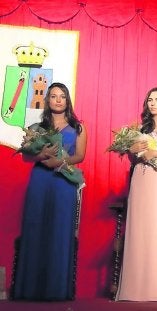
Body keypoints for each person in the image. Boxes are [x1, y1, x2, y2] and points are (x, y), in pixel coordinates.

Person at [12, 82, 87, 300]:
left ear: (67, 100)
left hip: (64, 181)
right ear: (48, 100)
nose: (58, 100)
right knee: (35, 227)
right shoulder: (36, 128)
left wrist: (60, 161)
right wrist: (42, 155)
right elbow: (26, 156)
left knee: (60, 230)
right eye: (53, 96)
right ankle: (30, 289)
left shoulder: (79, 128)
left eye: (62, 96)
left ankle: (56, 290)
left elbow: (80, 156)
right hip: (40, 181)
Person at [115, 87, 157, 302]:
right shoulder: (139, 129)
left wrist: (155, 153)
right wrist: (132, 149)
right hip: (141, 179)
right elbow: (133, 159)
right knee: (140, 228)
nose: (153, 103)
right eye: (150, 100)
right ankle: (136, 287)